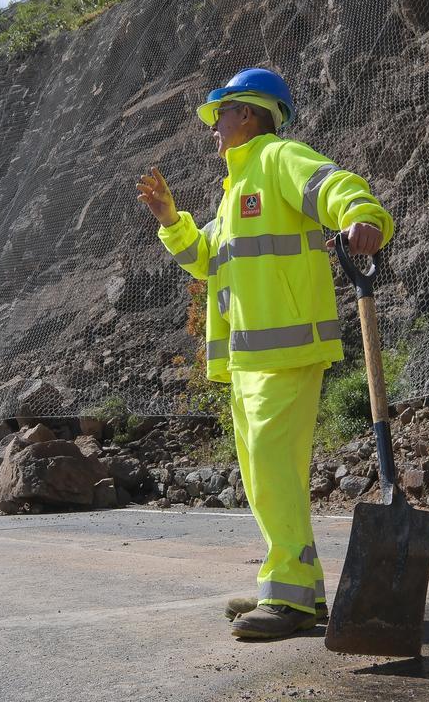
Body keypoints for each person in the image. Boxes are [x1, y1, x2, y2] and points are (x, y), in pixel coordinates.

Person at [136, 68, 393, 640]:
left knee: (274, 470)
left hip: (286, 348)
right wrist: (171, 223)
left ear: (247, 113)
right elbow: (207, 260)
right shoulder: (234, 192)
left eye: (219, 116)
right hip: (248, 360)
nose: (213, 130)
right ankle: (286, 590)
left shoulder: (278, 157)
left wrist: (361, 216)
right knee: (260, 477)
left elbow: (334, 184)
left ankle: (292, 599)